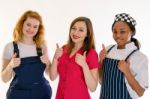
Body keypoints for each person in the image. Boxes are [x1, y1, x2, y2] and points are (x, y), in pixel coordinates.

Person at [1, 10, 52, 99]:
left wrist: (48, 63)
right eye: (28, 24)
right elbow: (4, 79)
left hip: (42, 93)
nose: (31, 29)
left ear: (38, 29)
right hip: (18, 95)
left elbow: (49, 73)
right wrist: (10, 66)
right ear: (22, 24)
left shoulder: (42, 46)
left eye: (35, 26)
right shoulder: (10, 47)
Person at [99, 13, 149, 99]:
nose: (118, 35)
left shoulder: (140, 57)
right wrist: (101, 61)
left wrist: (127, 71)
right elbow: (101, 81)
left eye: (122, 32)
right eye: (115, 32)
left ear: (132, 32)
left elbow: (140, 92)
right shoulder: (108, 50)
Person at [50, 17, 99, 99]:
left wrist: (84, 65)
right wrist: (55, 59)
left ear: (87, 33)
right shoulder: (63, 49)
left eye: (81, 30)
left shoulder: (91, 54)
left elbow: (93, 88)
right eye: (74, 28)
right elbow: (52, 77)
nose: (75, 32)